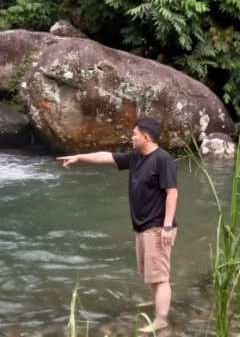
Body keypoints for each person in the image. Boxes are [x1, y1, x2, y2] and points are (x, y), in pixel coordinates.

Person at [57, 117, 178, 333]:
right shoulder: (136, 157)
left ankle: (161, 320)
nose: (131, 137)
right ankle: (158, 304)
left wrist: (167, 226)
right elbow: (106, 157)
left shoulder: (163, 159)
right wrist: (78, 157)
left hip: (158, 226)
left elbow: (172, 192)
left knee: (160, 277)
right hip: (142, 226)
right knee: (151, 274)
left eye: (134, 134)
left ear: (146, 136)